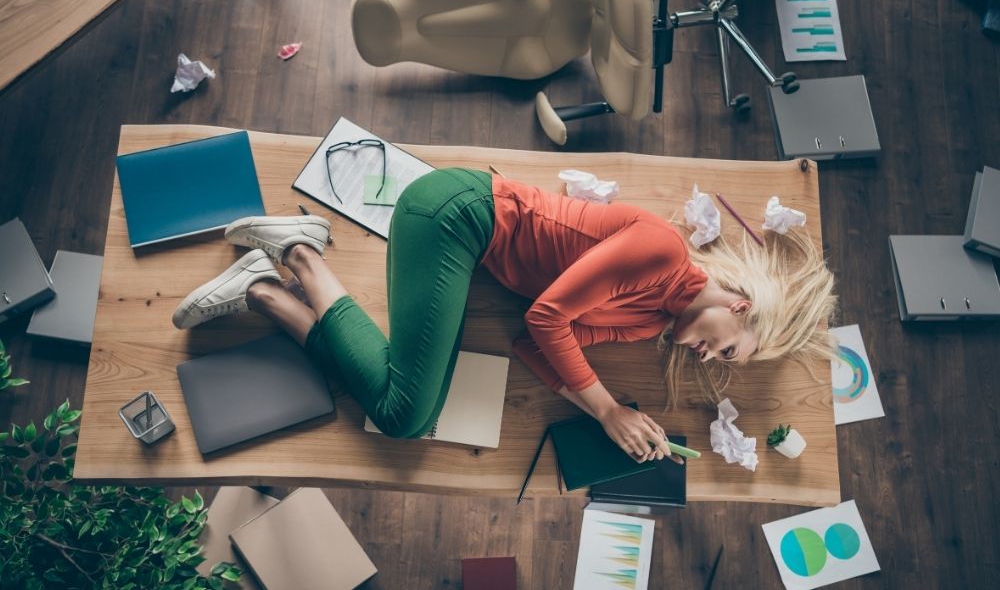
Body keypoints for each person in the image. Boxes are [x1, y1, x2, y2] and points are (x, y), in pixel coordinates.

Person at [172, 168, 836, 464]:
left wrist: (618, 424)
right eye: (727, 350)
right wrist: (607, 409)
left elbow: (527, 345)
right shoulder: (662, 251)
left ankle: (270, 284)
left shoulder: (647, 324)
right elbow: (548, 317)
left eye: (719, 363)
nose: (709, 358)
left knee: (410, 417)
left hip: (468, 251)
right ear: (738, 307)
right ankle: (293, 257)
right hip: (456, 215)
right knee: (404, 416)